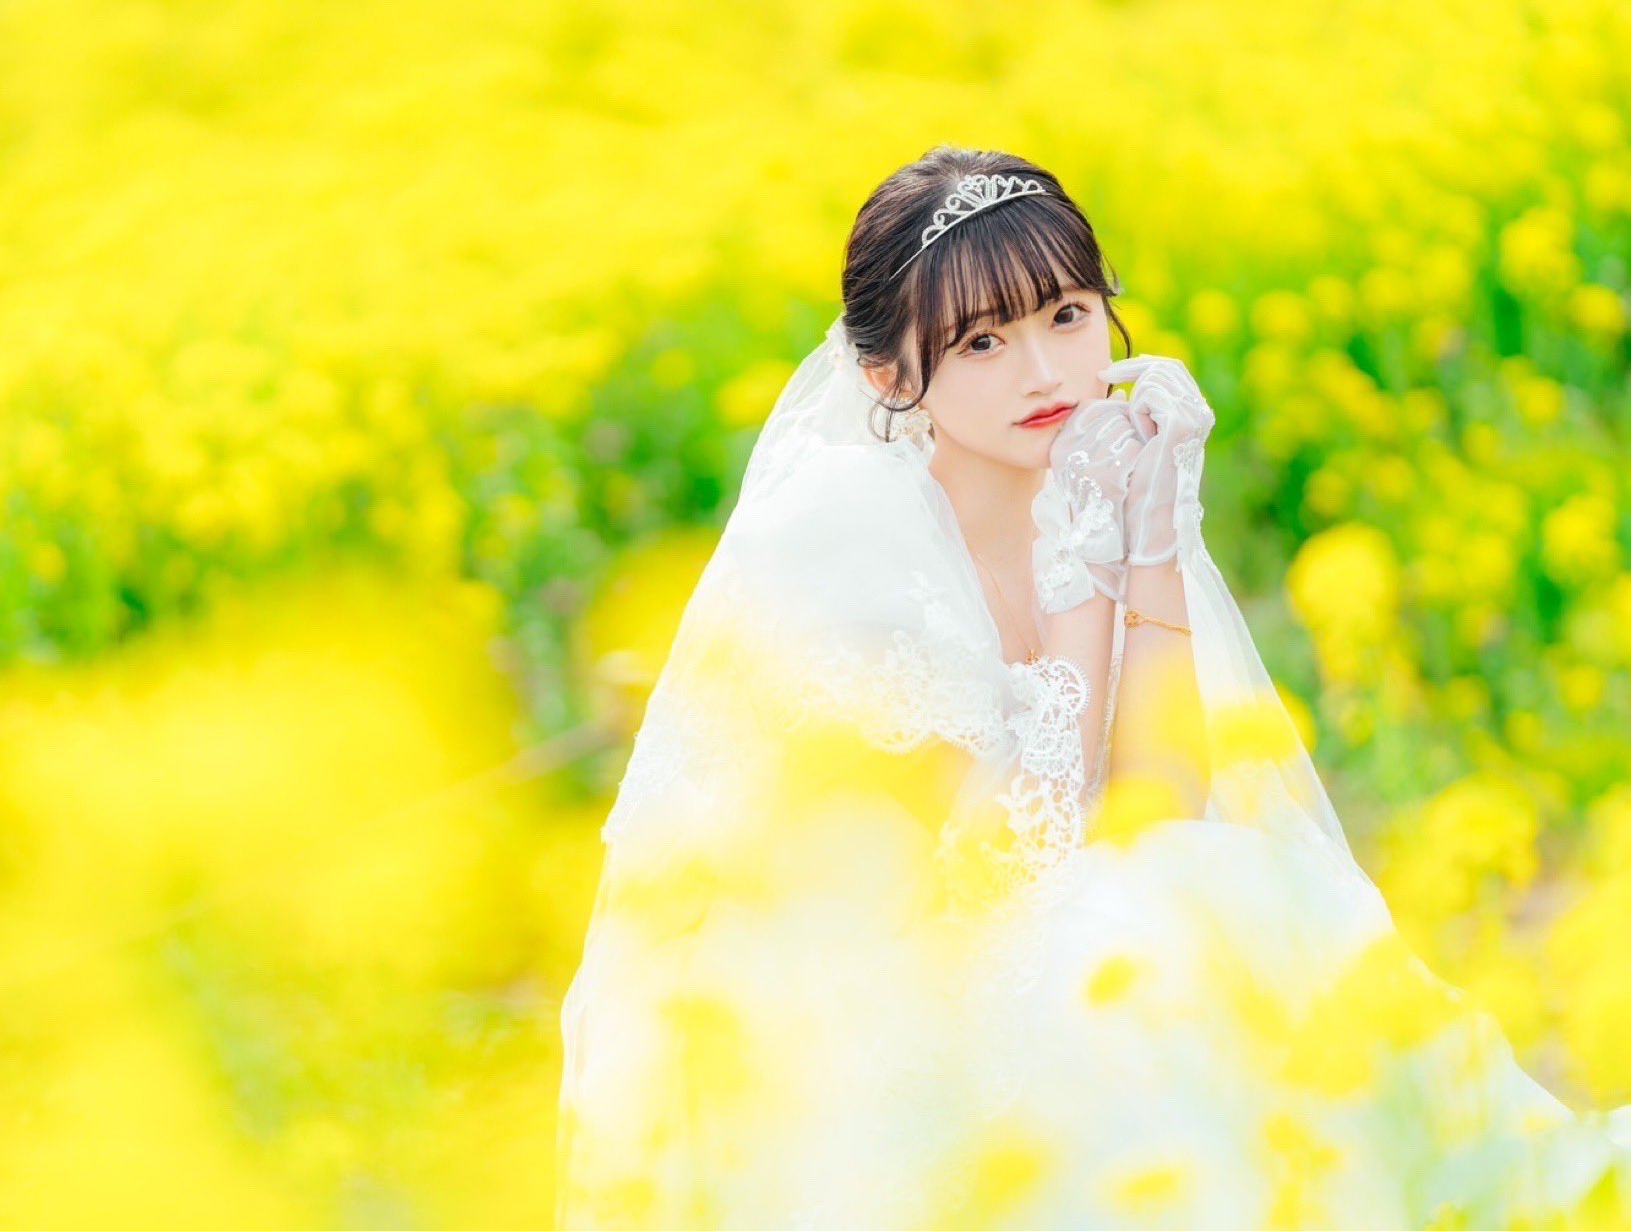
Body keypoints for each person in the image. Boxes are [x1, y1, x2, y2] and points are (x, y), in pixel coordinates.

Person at [555, 145, 1631, 1229]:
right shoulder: (841, 530)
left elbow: (1160, 807)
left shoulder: (1080, 482)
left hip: (1034, 934)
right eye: (982, 341)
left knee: (1219, 886)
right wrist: (1084, 573)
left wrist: (1148, 542)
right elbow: (1018, 861)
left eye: (1067, 316)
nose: (1043, 372)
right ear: (888, 378)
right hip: (845, 1013)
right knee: (1146, 940)